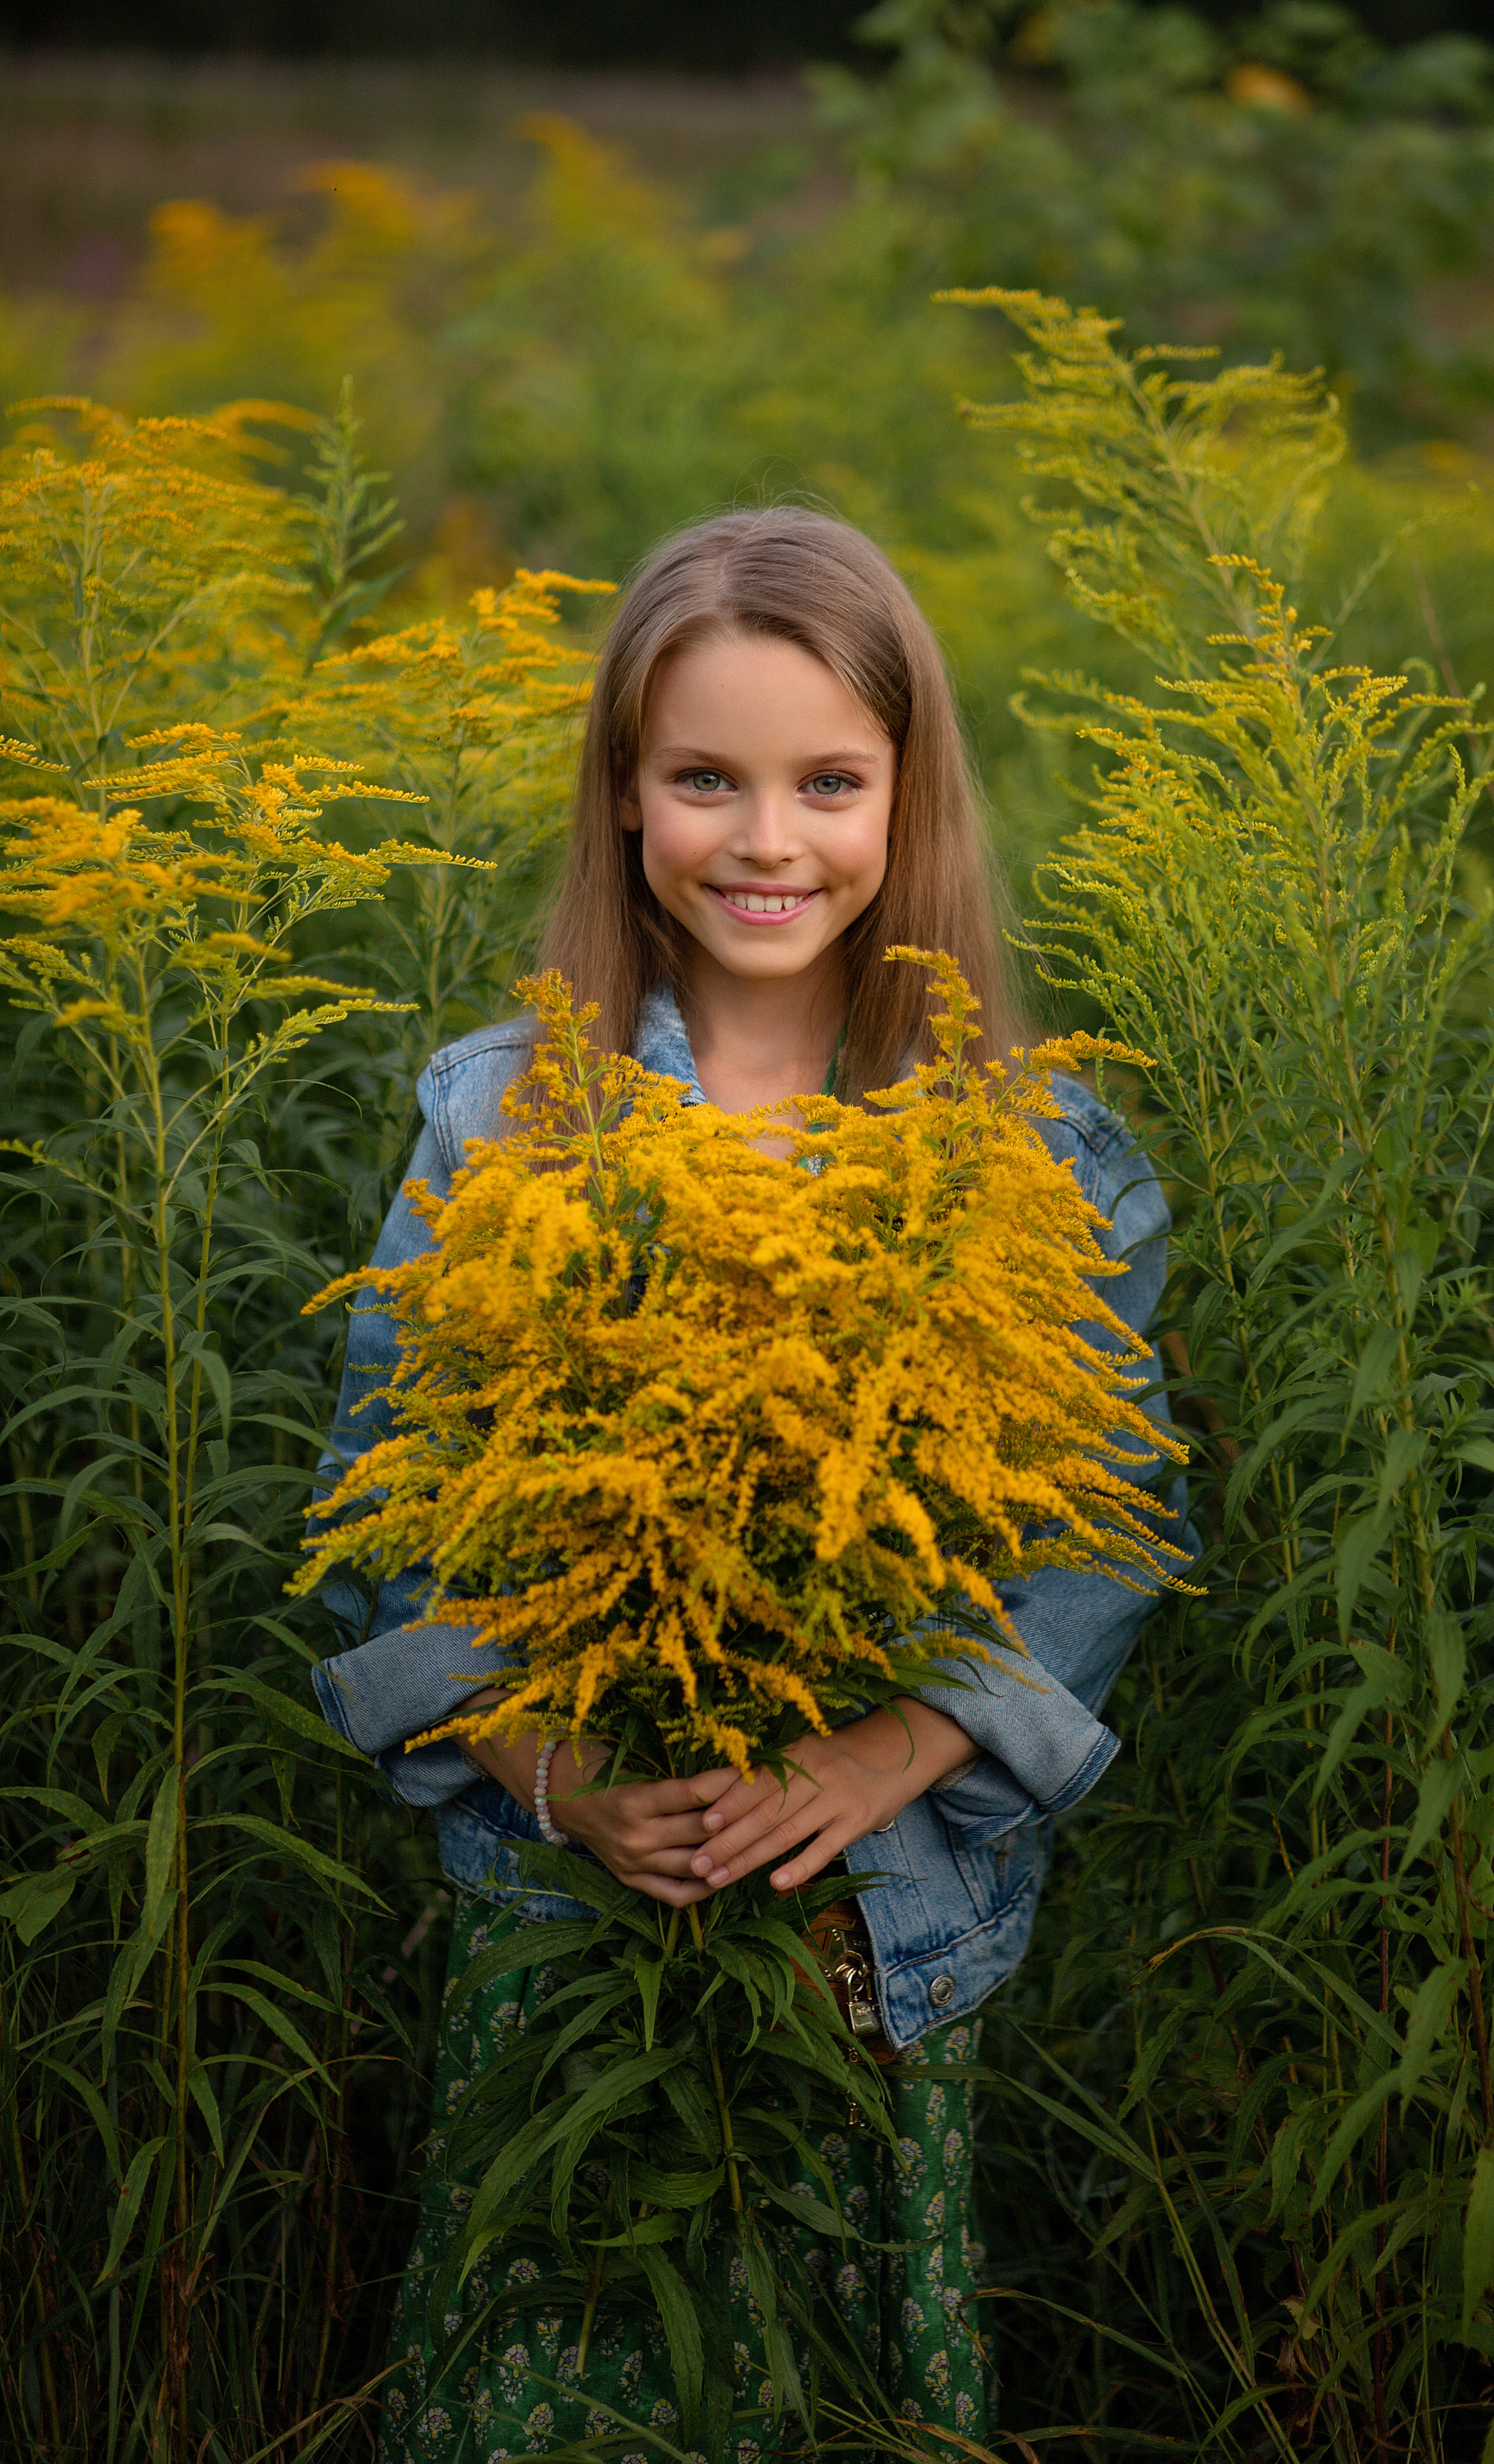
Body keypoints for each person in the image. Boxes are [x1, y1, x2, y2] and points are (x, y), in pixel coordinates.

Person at [310, 508, 1185, 2461]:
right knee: (545, 2380)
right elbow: (382, 1502)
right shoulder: (501, 1120)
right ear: (625, 794)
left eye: (828, 783)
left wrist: (886, 1754)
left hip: (880, 1926)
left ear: (907, 796)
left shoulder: (1039, 1158)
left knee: (841, 2399)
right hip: (567, 1923)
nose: (767, 840)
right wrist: (552, 1768)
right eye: (706, 778)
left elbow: (1115, 1532)